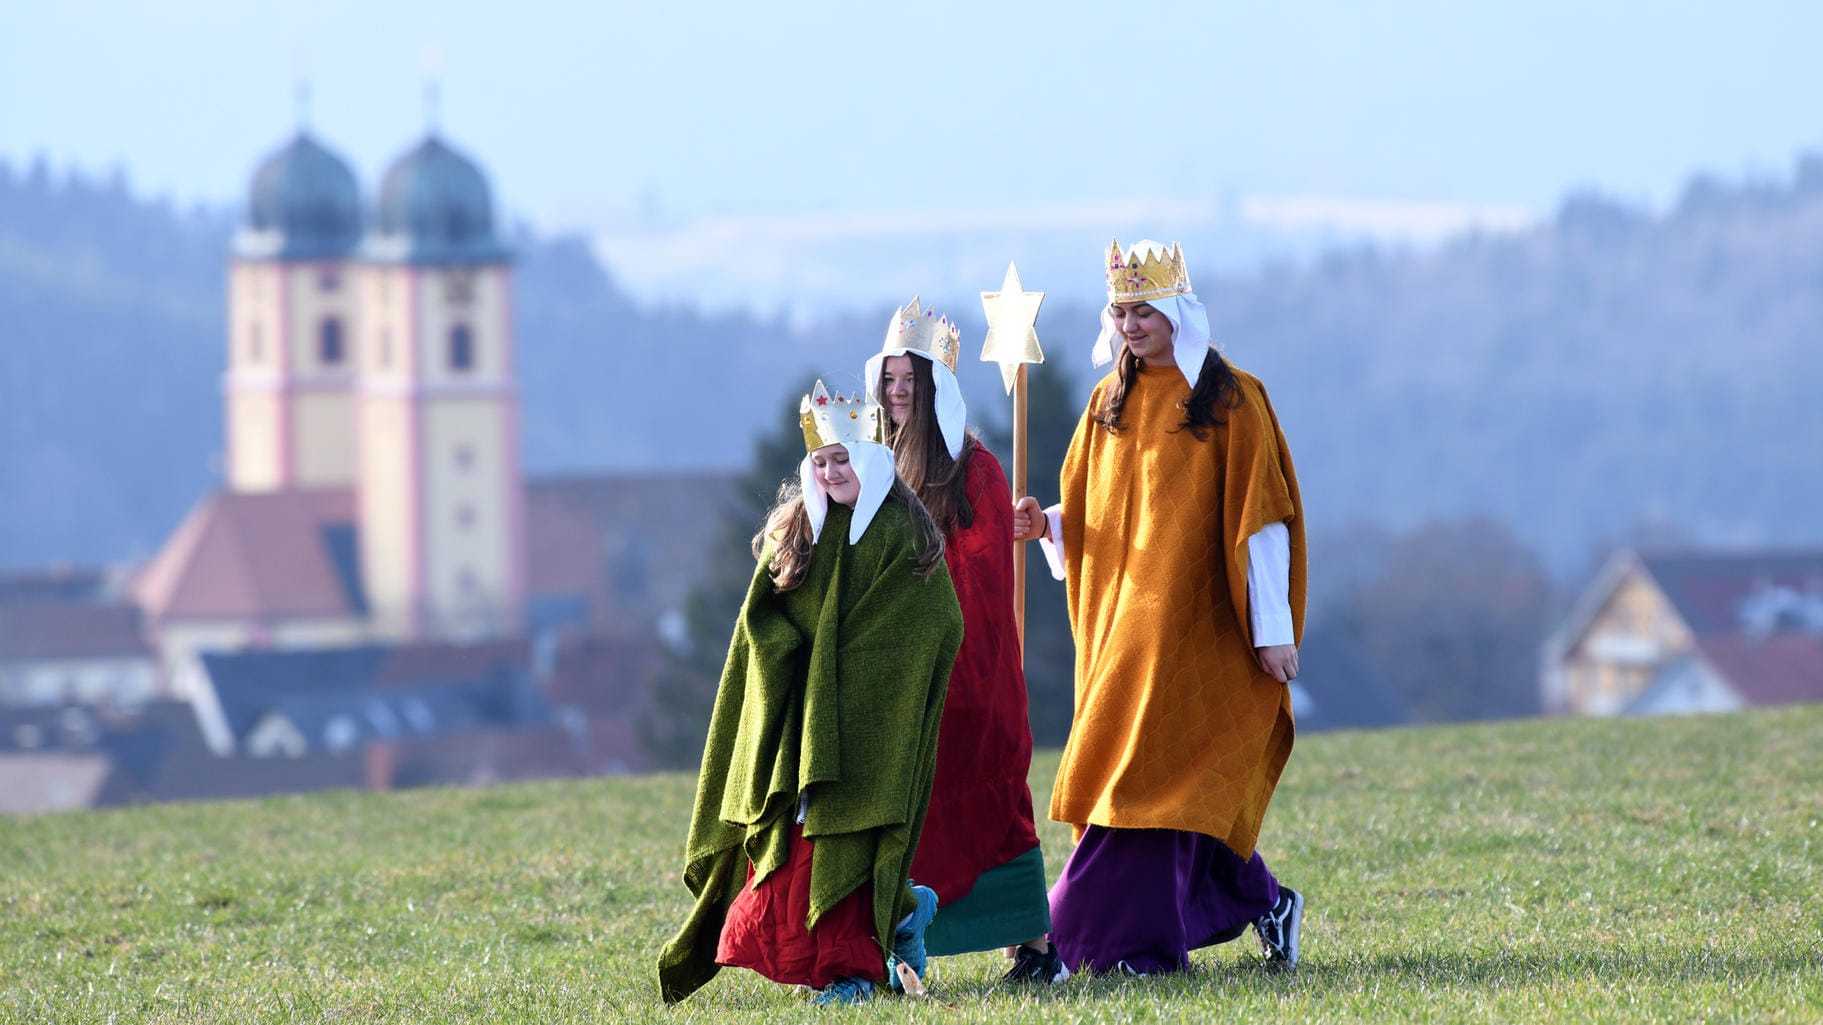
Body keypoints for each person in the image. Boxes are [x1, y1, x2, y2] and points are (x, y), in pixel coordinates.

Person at [1012, 238, 1308, 975]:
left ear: (1177, 309)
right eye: (1119, 311)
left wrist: (1271, 631)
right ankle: (1262, 899)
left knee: (1141, 782)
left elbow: (1260, 520)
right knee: (1160, 789)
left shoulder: (1231, 398)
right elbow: (1100, 511)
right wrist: (1044, 524)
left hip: (1198, 629)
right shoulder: (1105, 403)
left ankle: (1108, 944)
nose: (1131, 324)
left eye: (1144, 309)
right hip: (1123, 631)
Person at [657, 381, 965, 1006]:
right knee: (793, 858)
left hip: (866, 724)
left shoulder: (902, 534)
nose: (831, 472)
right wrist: (787, 658)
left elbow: (935, 622)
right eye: (820, 462)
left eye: (843, 458)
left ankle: (850, 972)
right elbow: (760, 618)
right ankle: (903, 910)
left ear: (873, 456)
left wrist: (857, 675)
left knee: (847, 842)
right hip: (800, 724)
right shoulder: (797, 529)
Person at [862, 299, 1066, 986]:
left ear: (931, 389)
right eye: (888, 378)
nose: (895, 392)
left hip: (967, 681)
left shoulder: (974, 470)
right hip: (902, 683)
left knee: (994, 810)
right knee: (904, 813)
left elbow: (975, 584)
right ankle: (899, 949)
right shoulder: (876, 463)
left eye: (907, 380)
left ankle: (1037, 949)